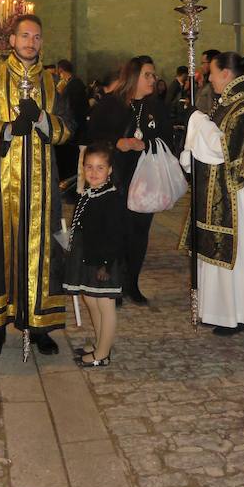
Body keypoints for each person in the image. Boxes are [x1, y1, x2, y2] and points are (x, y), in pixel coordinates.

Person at [0, 14, 74, 356]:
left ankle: (40, 326)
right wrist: (9, 129)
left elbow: (70, 128)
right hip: (2, 184)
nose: (31, 41)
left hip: (43, 187)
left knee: (44, 252)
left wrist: (43, 119)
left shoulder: (54, 84)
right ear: (12, 40)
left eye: (37, 36)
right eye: (25, 35)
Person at [181, 51, 244, 335]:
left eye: (212, 72)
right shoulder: (227, 105)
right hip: (216, 191)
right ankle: (219, 311)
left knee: (236, 256)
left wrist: (199, 123)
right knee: (213, 256)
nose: (209, 78)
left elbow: (226, 151)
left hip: (234, 196)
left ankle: (237, 313)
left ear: (226, 74)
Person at [88, 55, 173, 304]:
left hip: (146, 180)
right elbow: (92, 134)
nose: (153, 79)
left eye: (154, 75)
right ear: (133, 76)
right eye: (147, 74)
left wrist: (146, 144)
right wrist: (118, 143)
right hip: (117, 178)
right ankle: (113, 283)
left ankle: (132, 283)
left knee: (139, 232)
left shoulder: (156, 107)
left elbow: (168, 139)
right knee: (115, 232)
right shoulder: (112, 104)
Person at [63, 143, 125, 367]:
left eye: (100, 168)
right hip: (88, 256)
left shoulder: (111, 198)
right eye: (89, 167)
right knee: (89, 297)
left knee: (105, 305)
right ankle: (100, 342)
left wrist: (106, 264)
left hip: (104, 261)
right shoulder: (89, 193)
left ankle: (103, 354)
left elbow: (116, 235)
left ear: (109, 170)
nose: (93, 172)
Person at [56, 58, 90, 181]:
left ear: (60, 70)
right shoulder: (74, 83)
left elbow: (72, 109)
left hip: (75, 130)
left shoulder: (73, 85)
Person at [195, 49, 220, 113]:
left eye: (203, 63)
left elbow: (211, 107)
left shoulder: (215, 84)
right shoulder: (205, 80)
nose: (201, 66)